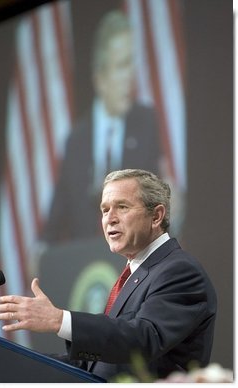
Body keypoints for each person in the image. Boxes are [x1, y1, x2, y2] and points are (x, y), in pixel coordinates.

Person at [0, 169, 217, 381]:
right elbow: (94, 366)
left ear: (157, 216)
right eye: (105, 209)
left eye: (122, 207)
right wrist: (12, 364)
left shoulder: (179, 271)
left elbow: (144, 340)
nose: (110, 218)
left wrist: (59, 320)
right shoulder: (137, 273)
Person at [39, 10, 161, 243]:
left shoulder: (145, 124)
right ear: (100, 78)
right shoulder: (76, 140)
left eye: (132, 64)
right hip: (86, 272)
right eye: (122, 66)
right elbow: (56, 218)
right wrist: (40, 249)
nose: (130, 76)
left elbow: (156, 202)